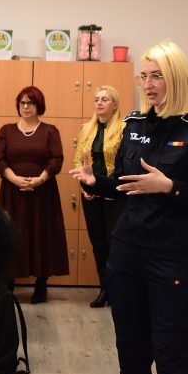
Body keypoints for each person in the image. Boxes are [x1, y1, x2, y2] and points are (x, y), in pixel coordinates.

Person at [70, 40, 188, 374]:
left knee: (171, 363)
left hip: (172, 261)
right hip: (127, 257)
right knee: (131, 361)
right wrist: (96, 183)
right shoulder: (133, 124)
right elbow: (125, 184)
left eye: (157, 76)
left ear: (177, 78)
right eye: (143, 77)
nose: (148, 84)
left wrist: (170, 187)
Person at [0, 86, 69, 304]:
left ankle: (41, 283)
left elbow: (56, 159)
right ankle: (8, 281)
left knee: (42, 234)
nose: (26, 107)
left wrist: (40, 180)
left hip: (42, 193)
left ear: (39, 106)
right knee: (11, 234)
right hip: (12, 192)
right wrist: (15, 179)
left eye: (31, 103)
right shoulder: (6, 130)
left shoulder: (50, 131)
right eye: (22, 103)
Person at [73, 85, 127, 308]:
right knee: (98, 244)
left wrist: (106, 185)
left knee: (115, 243)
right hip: (91, 194)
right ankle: (104, 289)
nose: (99, 103)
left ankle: (117, 291)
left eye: (105, 99)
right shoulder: (87, 128)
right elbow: (79, 160)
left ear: (115, 104)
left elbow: (124, 163)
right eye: (96, 99)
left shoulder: (124, 128)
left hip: (115, 195)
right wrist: (86, 187)